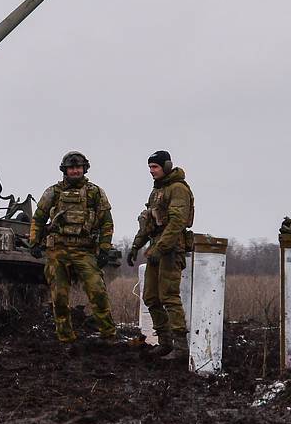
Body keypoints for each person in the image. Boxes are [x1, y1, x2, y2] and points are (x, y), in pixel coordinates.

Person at [29, 151, 118, 344]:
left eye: (78, 167)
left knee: (97, 292)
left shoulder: (95, 192)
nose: (75, 170)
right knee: (59, 298)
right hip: (58, 250)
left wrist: (104, 249)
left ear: (84, 169)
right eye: (71, 167)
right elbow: (39, 218)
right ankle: (66, 338)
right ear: (65, 170)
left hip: (84, 251)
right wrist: (34, 243)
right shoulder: (53, 192)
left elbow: (106, 223)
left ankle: (108, 335)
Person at [127, 150, 195, 360]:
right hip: (156, 249)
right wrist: (136, 246)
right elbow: (149, 222)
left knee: (169, 297)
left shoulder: (178, 189)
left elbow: (176, 223)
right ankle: (165, 342)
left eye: (155, 167)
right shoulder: (157, 191)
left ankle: (181, 347)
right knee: (150, 297)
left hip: (171, 250)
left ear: (165, 166)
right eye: (150, 168)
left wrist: (159, 249)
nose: (151, 171)